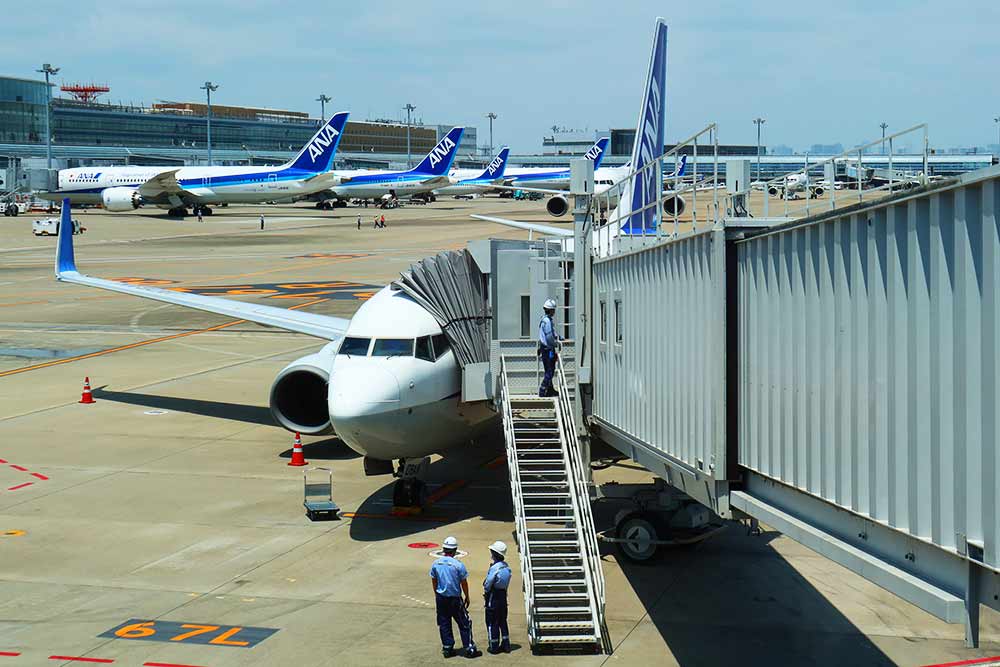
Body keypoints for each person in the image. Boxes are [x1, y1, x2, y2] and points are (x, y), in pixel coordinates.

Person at [430, 536, 480, 658]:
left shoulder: (436, 564)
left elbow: (434, 580)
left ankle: (447, 648)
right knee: (464, 622)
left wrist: (437, 593)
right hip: (455, 599)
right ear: (455, 550)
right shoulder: (458, 565)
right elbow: (464, 582)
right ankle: (469, 647)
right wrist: (467, 596)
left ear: (443, 549)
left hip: (441, 598)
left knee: (444, 623)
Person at [483, 541, 511, 654]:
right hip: (503, 596)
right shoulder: (507, 568)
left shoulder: (495, 568)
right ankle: (506, 644)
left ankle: (493, 646)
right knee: (502, 621)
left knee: (492, 621)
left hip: (493, 598)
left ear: (494, 554)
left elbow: (487, 585)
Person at [538, 298, 559, 397]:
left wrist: (559, 337)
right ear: (550, 310)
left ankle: (550, 389)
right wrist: (555, 344)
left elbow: (552, 334)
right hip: (548, 349)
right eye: (553, 310)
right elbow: (549, 336)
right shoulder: (547, 321)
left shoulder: (544, 320)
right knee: (550, 371)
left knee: (548, 370)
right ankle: (542, 390)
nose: (554, 312)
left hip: (544, 348)